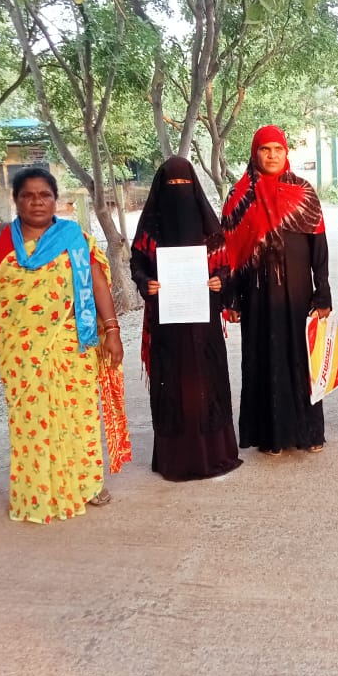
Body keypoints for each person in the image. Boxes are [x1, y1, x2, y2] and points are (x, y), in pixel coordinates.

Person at [0, 167, 128, 524]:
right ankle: (36, 491)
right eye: (27, 195)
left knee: (79, 415)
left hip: (72, 344)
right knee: (29, 418)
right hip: (21, 350)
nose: (36, 202)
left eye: (44, 195)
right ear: (15, 200)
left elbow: (97, 283)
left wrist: (112, 329)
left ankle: (87, 482)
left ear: (55, 200)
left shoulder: (74, 237)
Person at [221, 125, 331, 455]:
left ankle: (309, 433)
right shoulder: (240, 196)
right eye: (265, 149)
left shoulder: (303, 191)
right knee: (263, 359)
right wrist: (232, 298)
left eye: (277, 149)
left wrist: (322, 292)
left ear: (286, 153)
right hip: (257, 297)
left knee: (301, 359)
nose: (271, 155)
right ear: (254, 153)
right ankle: (271, 437)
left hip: (298, 295)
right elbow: (230, 252)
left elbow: (319, 245)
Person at [130, 156, 242, 480]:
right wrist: (146, 283)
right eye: (171, 185)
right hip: (166, 322)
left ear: (194, 189)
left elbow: (225, 264)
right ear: (160, 190)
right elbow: (137, 263)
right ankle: (174, 459)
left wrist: (220, 280)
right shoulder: (150, 231)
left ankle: (215, 453)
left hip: (204, 321)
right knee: (172, 384)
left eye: (184, 185)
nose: (178, 191)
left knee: (208, 382)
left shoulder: (209, 230)